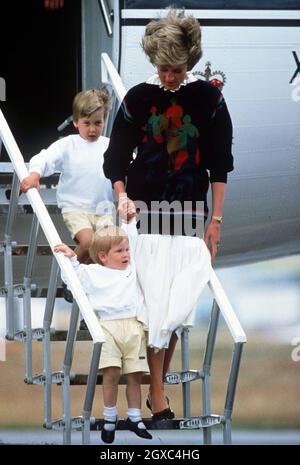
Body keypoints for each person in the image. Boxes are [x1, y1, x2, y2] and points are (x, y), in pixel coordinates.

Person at [103, 8, 233, 421]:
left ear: (188, 62)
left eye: (176, 69)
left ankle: (156, 392)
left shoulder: (209, 98)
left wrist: (216, 221)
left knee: (176, 311)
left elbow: (220, 163)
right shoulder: (139, 97)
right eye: (163, 68)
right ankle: (158, 396)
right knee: (154, 309)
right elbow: (116, 158)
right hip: (145, 211)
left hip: (192, 212)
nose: (169, 77)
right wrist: (121, 195)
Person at [54, 200, 152, 444]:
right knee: (110, 374)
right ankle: (110, 417)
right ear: (103, 256)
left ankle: (135, 416)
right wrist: (70, 258)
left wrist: (129, 222)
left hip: (133, 326)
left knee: (134, 376)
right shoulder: (93, 273)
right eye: (120, 252)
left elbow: (133, 239)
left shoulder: (132, 269)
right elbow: (72, 277)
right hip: (107, 327)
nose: (126, 255)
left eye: (126, 250)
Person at [20, 89, 115, 308]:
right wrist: (35, 173)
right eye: (87, 123)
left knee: (106, 251)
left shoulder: (109, 145)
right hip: (76, 208)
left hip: (103, 209)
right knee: (89, 241)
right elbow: (44, 157)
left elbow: (131, 164)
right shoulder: (68, 145)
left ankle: (85, 290)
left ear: (105, 121)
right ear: (75, 122)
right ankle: (69, 278)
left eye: (98, 123)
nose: (92, 129)